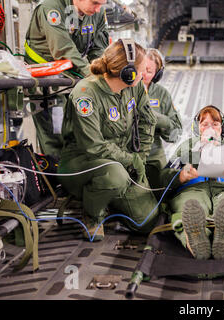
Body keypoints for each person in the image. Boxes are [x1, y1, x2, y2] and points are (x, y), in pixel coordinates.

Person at [58, 39, 158, 241]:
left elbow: (148, 121)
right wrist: (131, 161)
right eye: (140, 70)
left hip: (120, 161)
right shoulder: (86, 94)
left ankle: (108, 199)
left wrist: (141, 157)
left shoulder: (134, 87)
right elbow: (93, 146)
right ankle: (91, 213)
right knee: (115, 176)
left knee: (147, 222)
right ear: (127, 73)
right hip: (82, 164)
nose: (144, 75)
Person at [159, 105, 224, 260]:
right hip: (194, 189)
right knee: (190, 206)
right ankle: (196, 237)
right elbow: (164, 177)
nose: (210, 128)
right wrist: (180, 176)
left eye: (215, 124)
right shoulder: (187, 147)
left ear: (222, 128)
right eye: (204, 124)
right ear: (198, 128)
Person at [25, 0, 109, 158]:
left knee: (80, 135)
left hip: (75, 79)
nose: (98, 9)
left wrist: (102, 71)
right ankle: (57, 177)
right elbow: (63, 48)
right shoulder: (51, 9)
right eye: (95, 3)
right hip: (49, 83)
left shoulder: (97, 14)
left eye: (101, 4)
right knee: (56, 139)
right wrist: (92, 75)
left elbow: (98, 49)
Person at [141, 48, 183, 198]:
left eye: (149, 71)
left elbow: (175, 133)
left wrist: (160, 120)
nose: (143, 74)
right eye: (141, 68)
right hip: (127, 152)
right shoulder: (123, 88)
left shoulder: (161, 94)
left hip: (153, 153)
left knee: (164, 193)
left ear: (157, 75)